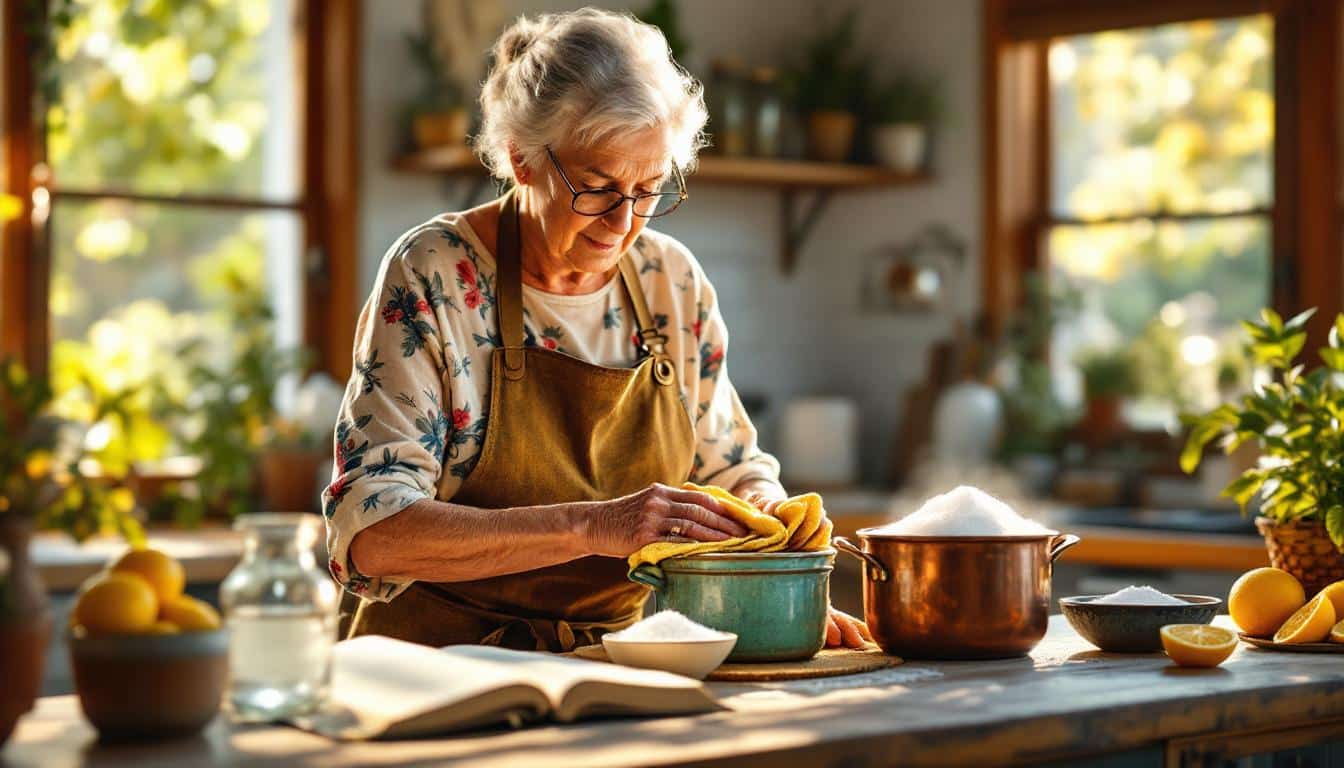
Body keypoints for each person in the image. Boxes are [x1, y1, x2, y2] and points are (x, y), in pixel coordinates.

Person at [323, 8, 870, 652]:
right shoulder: (434, 274)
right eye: (597, 187)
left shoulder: (672, 281)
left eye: (650, 188)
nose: (624, 222)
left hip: (620, 663)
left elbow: (726, 468)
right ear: (520, 159)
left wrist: (770, 533)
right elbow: (375, 533)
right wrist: (592, 526)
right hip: (438, 666)